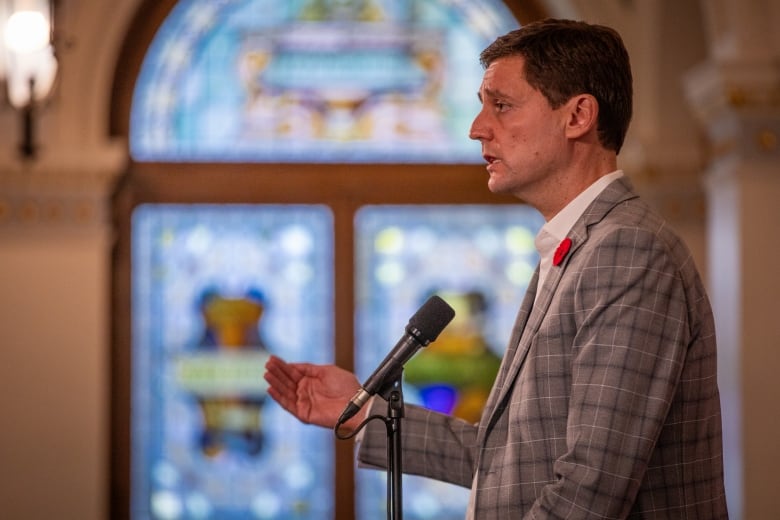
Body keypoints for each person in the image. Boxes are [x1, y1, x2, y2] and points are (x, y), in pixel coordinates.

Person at [264, 18, 728, 519]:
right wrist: (367, 412)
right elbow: (516, 460)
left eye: (501, 105)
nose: (476, 127)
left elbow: (591, 489)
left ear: (578, 116)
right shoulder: (578, 245)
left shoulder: (627, 252)